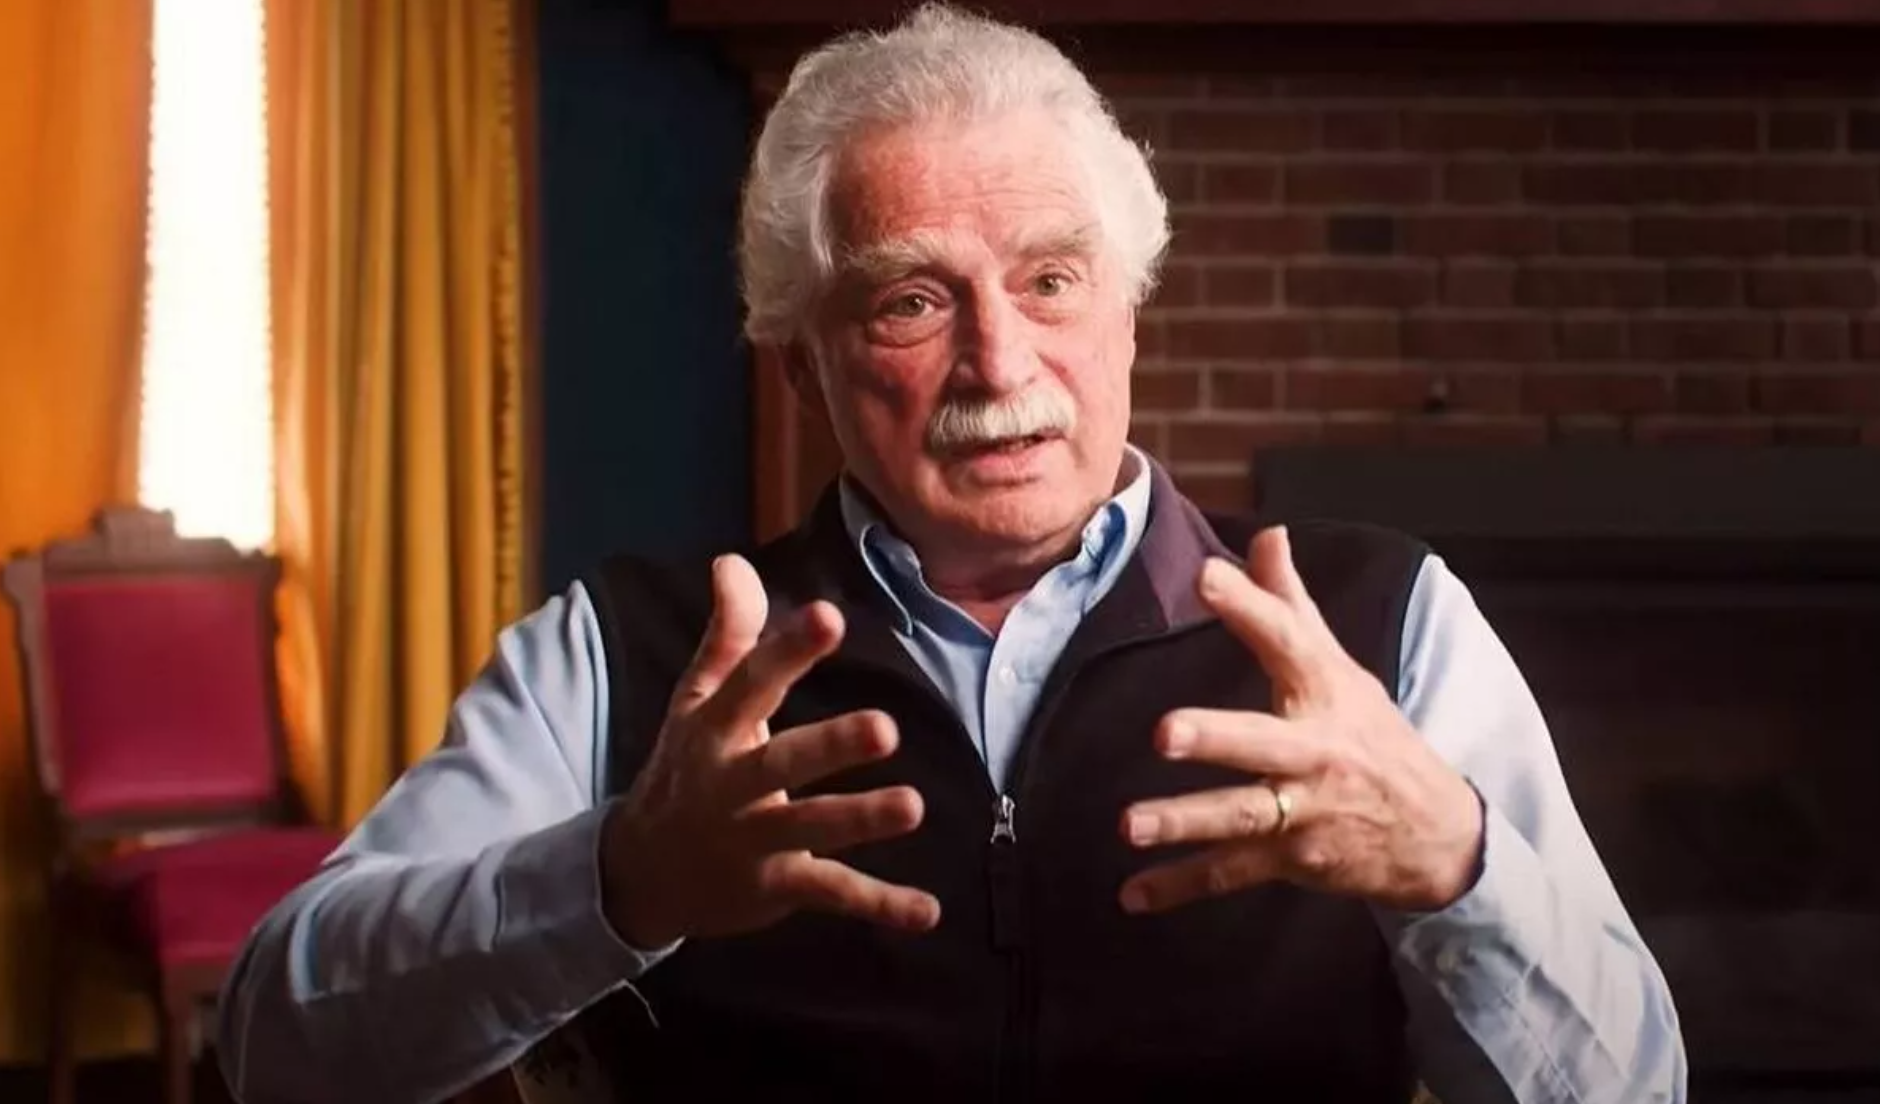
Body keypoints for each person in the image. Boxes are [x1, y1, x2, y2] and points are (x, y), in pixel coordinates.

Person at [216, 6, 1685, 1102]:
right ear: (806, 371)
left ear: (1128, 313)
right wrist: (619, 881)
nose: (1000, 360)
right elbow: (273, 1039)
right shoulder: (627, 653)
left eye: (1050, 281)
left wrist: (1454, 864)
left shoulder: (1382, 621)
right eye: (911, 301)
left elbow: (1637, 1088)